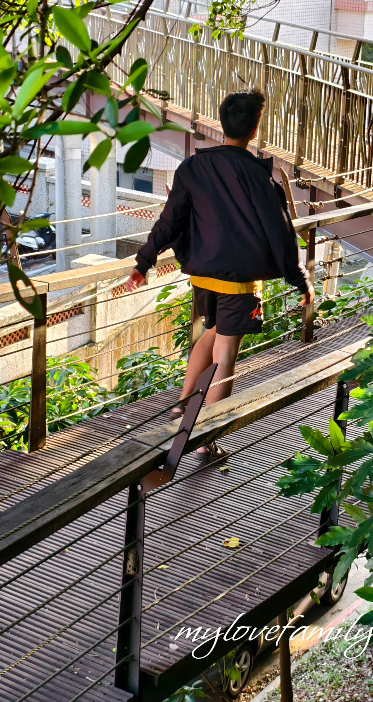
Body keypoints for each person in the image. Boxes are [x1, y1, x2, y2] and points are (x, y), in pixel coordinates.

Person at [123, 89, 313, 462]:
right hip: (238, 282)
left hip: (202, 277)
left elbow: (168, 221)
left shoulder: (192, 168)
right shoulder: (261, 178)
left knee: (209, 335)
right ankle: (206, 435)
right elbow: (280, 233)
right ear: (255, 129)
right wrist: (299, 278)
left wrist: (142, 263)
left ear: (221, 124)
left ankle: (183, 403)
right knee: (226, 354)